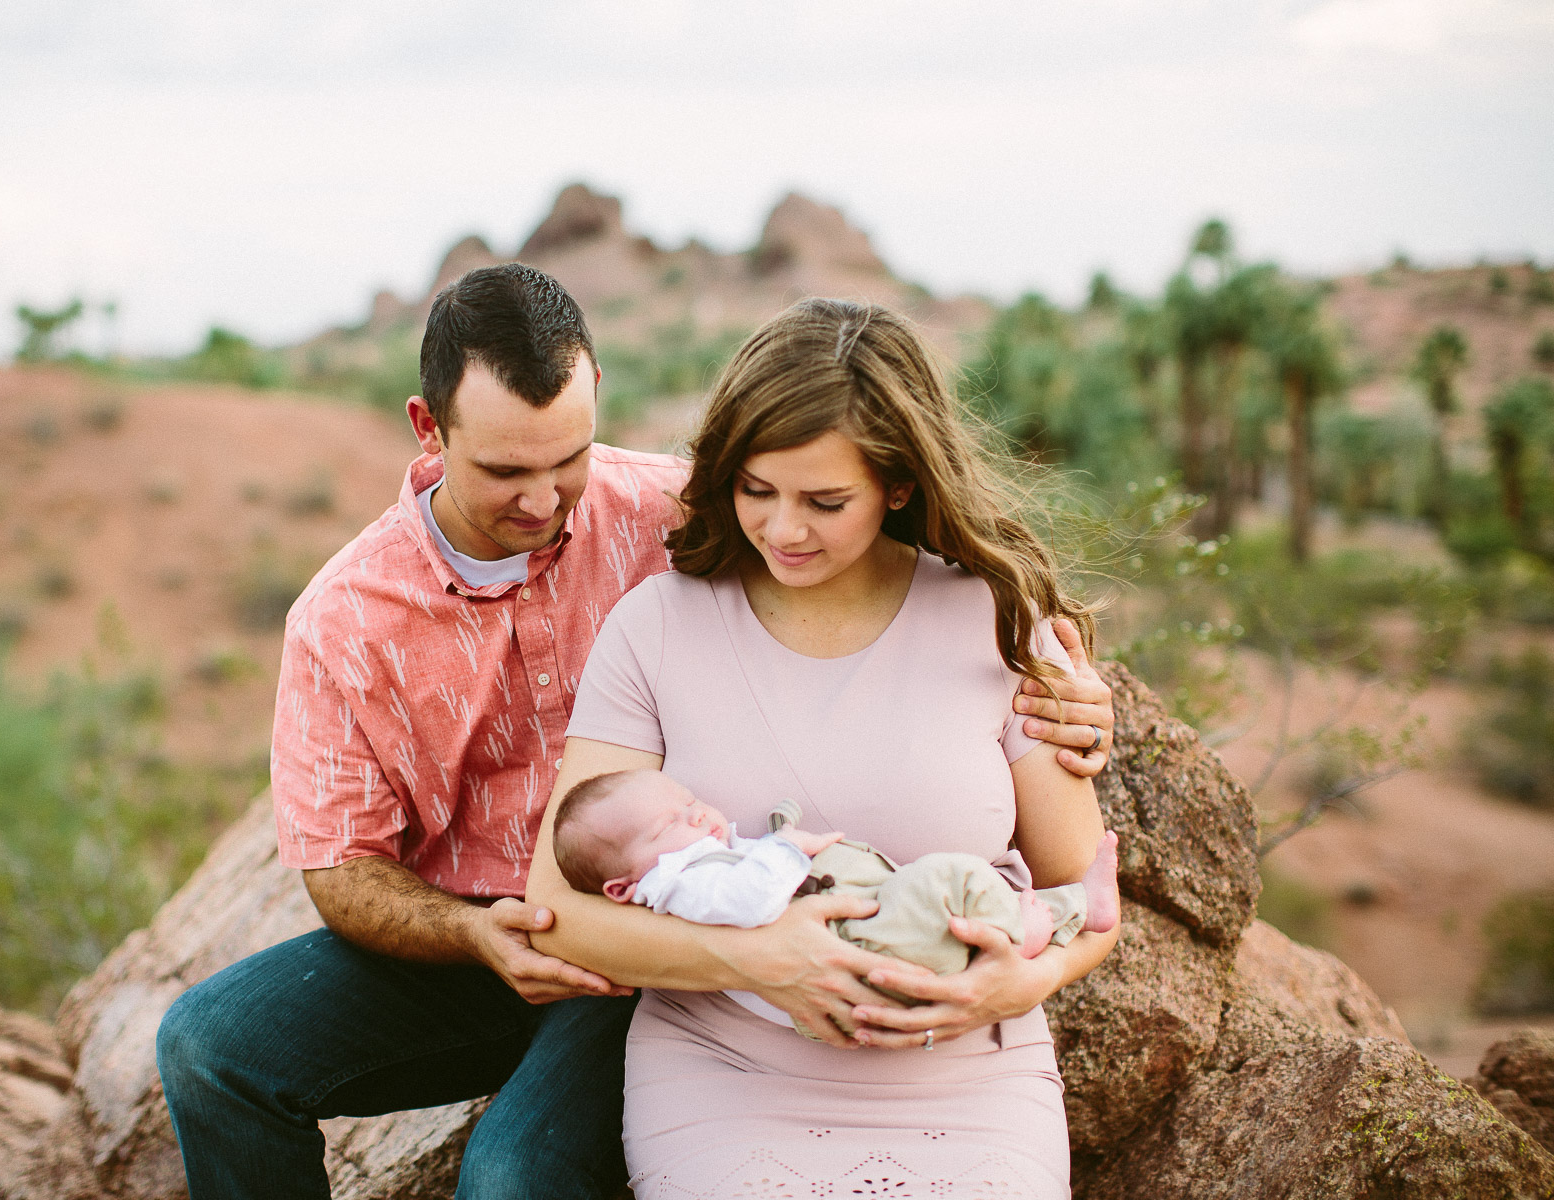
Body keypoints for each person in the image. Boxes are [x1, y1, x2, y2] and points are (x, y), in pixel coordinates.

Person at [156, 267, 1119, 1200]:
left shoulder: (682, 505)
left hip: (661, 929)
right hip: (486, 938)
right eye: (504, 471)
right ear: (428, 428)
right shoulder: (344, 619)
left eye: (567, 461)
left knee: (512, 1172)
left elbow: (851, 500)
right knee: (207, 1048)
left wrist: (1069, 682)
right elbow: (342, 872)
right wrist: (478, 935)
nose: (542, 500)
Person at [526, 298, 1122, 1198]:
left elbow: (1086, 895)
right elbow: (557, 912)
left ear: (900, 484)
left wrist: (1016, 988)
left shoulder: (998, 623)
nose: (783, 530)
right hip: (729, 1074)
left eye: (824, 500)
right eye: (755, 489)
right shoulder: (655, 628)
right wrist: (756, 961)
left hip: (969, 1078)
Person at [550, 770, 1120, 1007]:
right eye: (668, 825)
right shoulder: (681, 886)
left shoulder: (702, 862)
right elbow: (752, 899)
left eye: (692, 804)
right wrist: (787, 846)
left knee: (936, 890)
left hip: (866, 936)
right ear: (624, 889)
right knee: (951, 877)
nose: (699, 819)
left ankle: (1071, 908)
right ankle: (1021, 934)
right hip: (857, 951)